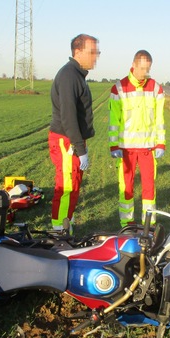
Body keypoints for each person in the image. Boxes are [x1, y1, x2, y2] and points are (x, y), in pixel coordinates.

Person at [108, 50, 166, 227]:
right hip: (126, 149)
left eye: (148, 69)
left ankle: (149, 223)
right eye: (142, 69)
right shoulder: (119, 88)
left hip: (148, 148)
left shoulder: (156, 88)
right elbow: (114, 121)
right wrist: (114, 145)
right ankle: (127, 224)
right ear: (133, 65)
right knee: (126, 188)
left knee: (149, 189)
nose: (145, 73)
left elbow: (159, 119)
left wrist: (161, 143)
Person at [48, 33, 100, 232]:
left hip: (73, 141)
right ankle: (58, 233)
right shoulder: (69, 75)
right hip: (66, 141)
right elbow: (68, 117)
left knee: (74, 186)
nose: (95, 56)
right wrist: (80, 148)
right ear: (78, 52)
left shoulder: (77, 75)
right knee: (67, 188)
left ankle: (66, 225)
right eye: (92, 52)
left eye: (97, 52)